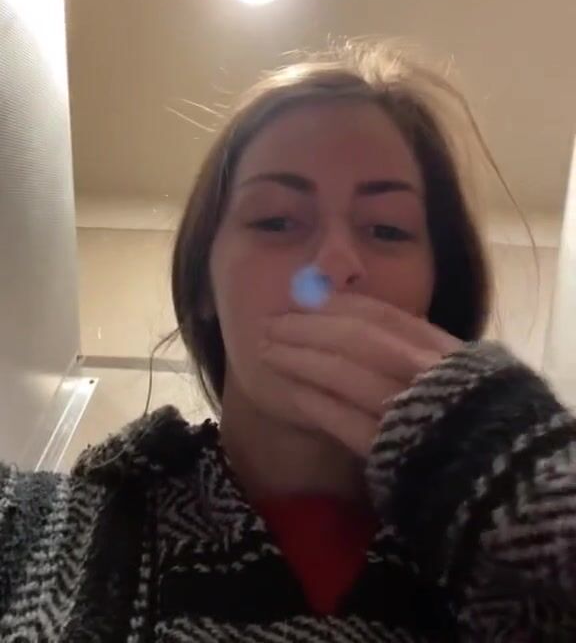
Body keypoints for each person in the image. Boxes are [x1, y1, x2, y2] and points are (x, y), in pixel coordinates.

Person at [1, 36, 575, 642]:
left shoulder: (516, 575)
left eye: (387, 229)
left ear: (439, 290)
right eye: (276, 220)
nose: (334, 264)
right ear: (204, 285)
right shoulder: (21, 532)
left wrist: (537, 487)